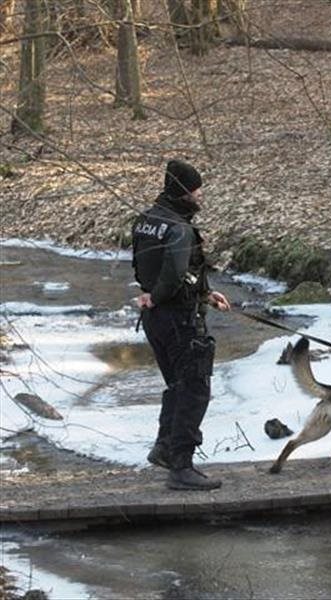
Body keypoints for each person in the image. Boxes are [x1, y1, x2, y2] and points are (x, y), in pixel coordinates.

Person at [132, 159, 230, 491]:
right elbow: (173, 276)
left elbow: (151, 268)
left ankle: (164, 448)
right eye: (196, 189)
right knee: (194, 389)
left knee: (177, 385)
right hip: (178, 318)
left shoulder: (147, 220)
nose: (200, 194)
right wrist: (158, 297)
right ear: (184, 192)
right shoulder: (179, 228)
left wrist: (205, 293)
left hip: (154, 319)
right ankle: (181, 466)